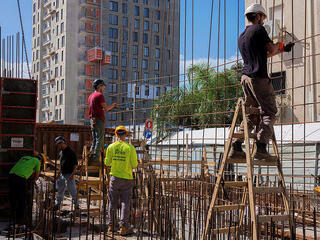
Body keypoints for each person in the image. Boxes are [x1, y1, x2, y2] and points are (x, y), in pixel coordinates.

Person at [230, 3, 294, 160]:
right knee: (269, 112)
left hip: (245, 78)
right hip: (258, 77)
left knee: (251, 115)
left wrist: (282, 49)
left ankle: (236, 145)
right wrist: (279, 47)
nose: (264, 21)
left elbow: (263, 55)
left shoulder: (242, 35)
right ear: (257, 16)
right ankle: (261, 147)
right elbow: (270, 50)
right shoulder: (259, 30)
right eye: (263, 17)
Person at [104, 126, 138, 236]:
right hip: (127, 178)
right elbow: (134, 164)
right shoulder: (130, 148)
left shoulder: (111, 147)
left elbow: (107, 163)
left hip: (114, 178)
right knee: (125, 202)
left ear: (116, 134)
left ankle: (111, 226)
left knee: (112, 202)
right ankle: (123, 227)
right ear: (125, 135)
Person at [8, 153, 45, 226]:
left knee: (13, 199)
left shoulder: (25, 157)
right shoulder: (37, 161)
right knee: (21, 201)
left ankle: (13, 219)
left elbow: (23, 167)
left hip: (11, 176)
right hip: (20, 179)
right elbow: (36, 177)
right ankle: (20, 222)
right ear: (41, 160)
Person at [87, 79, 117, 165]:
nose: (104, 89)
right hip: (99, 119)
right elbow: (106, 108)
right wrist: (113, 105)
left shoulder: (90, 96)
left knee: (95, 138)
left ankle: (91, 155)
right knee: (100, 138)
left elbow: (97, 107)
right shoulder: (100, 95)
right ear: (99, 86)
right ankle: (96, 158)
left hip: (92, 119)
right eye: (103, 87)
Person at [54, 136, 78, 210]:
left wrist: (72, 175)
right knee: (60, 191)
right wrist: (58, 174)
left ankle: (77, 206)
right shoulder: (61, 152)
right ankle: (57, 204)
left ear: (62, 143)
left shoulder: (71, 152)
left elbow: (75, 165)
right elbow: (62, 165)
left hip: (69, 174)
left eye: (58, 144)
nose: (58, 146)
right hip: (62, 174)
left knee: (72, 191)